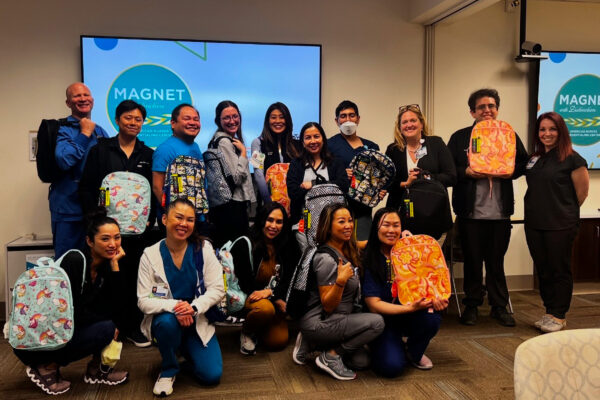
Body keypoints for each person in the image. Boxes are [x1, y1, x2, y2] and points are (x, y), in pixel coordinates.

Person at [14, 211, 129, 395]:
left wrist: (115, 265)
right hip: (36, 341)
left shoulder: (104, 265)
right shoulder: (75, 261)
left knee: (115, 319)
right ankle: (47, 367)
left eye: (117, 238)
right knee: (107, 327)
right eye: (105, 239)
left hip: (62, 331)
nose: (113, 244)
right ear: (90, 241)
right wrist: (109, 326)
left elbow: (120, 303)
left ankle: (96, 369)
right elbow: (67, 315)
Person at [447, 88, 528, 327]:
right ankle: (472, 304)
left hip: (500, 213)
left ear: (497, 109)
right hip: (470, 212)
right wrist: (466, 172)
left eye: (491, 106)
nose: (487, 110)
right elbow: (450, 170)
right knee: (472, 260)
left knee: (496, 261)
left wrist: (512, 171)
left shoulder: (509, 134)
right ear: (472, 111)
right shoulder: (461, 137)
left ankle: (499, 306)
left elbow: (523, 162)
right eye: (482, 107)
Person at [79, 99, 155, 347]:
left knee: (132, 278)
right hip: (106, 234)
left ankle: (132, 326)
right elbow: (88, 189)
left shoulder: (148, 154)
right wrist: (95, 223)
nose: (133, 123)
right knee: (106, 280)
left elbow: (153, 192)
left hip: (137, 233)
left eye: (138, 120)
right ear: (117, 119)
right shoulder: (100, 151)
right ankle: (107, 327)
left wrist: (150, 220)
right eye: (128, 118)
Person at [137, 199, 224, 397]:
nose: (184, 224)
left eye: (190, 220)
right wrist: (177, 306)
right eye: (179, 217)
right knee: (167, 324)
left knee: (211, 375)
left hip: (196, 320)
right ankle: (168, 369)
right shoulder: (150, 255)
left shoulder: (203, 249)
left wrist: (193, 308)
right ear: (165, 219)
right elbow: (143, 300)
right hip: (169, 320)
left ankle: (183, 350)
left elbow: (217, 289)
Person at [293, 203, 384, 381]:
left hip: (339, 319)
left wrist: (400, 237)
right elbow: (328, 306)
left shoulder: (346, 248)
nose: (348, 225)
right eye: (341, 222)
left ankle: (312, 343)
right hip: (321, 321)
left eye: (350, 220)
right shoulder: (326, 259)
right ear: (328, 227)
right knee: (377, 323)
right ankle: (330, 356)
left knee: (361, 362)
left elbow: (369, 244)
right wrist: (341, 281)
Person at [362, 208, 447, 377]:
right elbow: (373, 305)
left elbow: (429, 284)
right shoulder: (369, 257)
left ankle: (413, 352)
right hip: (381, 321)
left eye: (396, 225)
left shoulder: (413, 254)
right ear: (376, 228)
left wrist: (436, 299)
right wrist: (411, 308)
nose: (391, 230)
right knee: (391, 368)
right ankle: (382, 345)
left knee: (433, 317)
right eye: (386, 225)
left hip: (408, 314)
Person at [524, 112, 589, 333]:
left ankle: (559, 315)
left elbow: (581, 193)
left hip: (560, 224)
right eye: (542, 129)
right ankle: (549, 311)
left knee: (558, 269)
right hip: (535, 223)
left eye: (552, 129)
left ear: (561, 132)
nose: (547, 133)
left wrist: (563, 212)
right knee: (543, 270)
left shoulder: (573, 158)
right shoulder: (535, 158)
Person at [232, 202, 301, 355]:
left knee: (278, 341)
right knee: (265, 309)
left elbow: (290, 277)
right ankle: (247, 330)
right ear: (262, 219)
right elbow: (245, 284)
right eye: (270, 220)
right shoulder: (246, 242)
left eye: (279, 222)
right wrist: (271, 296)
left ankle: (261, 325)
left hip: (272, 296)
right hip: (249, 296)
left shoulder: (287, 243)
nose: (274, 226)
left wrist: (273, 294)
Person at [51, 82, 109, 257]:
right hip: (69, 211)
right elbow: (64, 161)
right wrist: (84, 135)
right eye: (77, 96)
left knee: (96, 264)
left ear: (92, 99)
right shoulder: (62, 129)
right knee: (69, 262)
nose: (83, 99)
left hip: (94, 210)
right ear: (68, 103)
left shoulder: (100, 131)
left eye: (86, 95)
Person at [385, 104, 456, 240]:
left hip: (433, 216)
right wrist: (406, 183)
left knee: (431, 260)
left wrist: (425, 178)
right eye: (404, 122)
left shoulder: (436, 144)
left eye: (413, 120)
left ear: (421, 124)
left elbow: (451, 176)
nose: (409, 125)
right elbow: (386, 184)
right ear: (399, 127)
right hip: (401, 220)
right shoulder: (393, 150)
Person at [287, 122, 350, 250]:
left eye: (316, 136)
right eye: (308, 138)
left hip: (332, 225)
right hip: (303, 224)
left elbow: (343, 186)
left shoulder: (335, 161)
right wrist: (328, 187)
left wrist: (313, 185)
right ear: (303, 142)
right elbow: (293, 192)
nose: (313, 141)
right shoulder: (296, 164)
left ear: (323, 139)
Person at [328, 100, 382, 240]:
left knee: (362, 248)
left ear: (358, 119)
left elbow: (377, 176)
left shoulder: (371, 147)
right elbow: (324, 174)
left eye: (352, 115)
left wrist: (380, 190)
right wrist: (341, 174)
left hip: (363, 208)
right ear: (337, 121)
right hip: (338, 207)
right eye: (343, 116)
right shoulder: (329, 146)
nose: (348, 120)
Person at [208, 100, 255, 248]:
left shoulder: (224, 140)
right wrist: (243, 154)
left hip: (227, 206)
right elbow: (236, 177)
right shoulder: (224, 142)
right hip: (232, 207)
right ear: (218, 121)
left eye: (235, 116)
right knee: (237, 252)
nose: (232, 121)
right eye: (226, 118)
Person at [151, 104, 203, 220]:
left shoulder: (196, 147)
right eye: (187, 118)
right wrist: (173, 215)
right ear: (173, 123)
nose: (193, 123)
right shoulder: (165, 149)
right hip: (176, 222)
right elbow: (157, 187)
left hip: (198, 218)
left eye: (196, 119)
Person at [251, 102, 300, 205]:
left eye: (282, 117)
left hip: (294, 203)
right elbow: (258, 174)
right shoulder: (258, 143)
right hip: (269, 205)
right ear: (268, 121)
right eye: (273, 117)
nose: (278, 121)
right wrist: (269, 203)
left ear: (287, 120)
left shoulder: (297, 144)